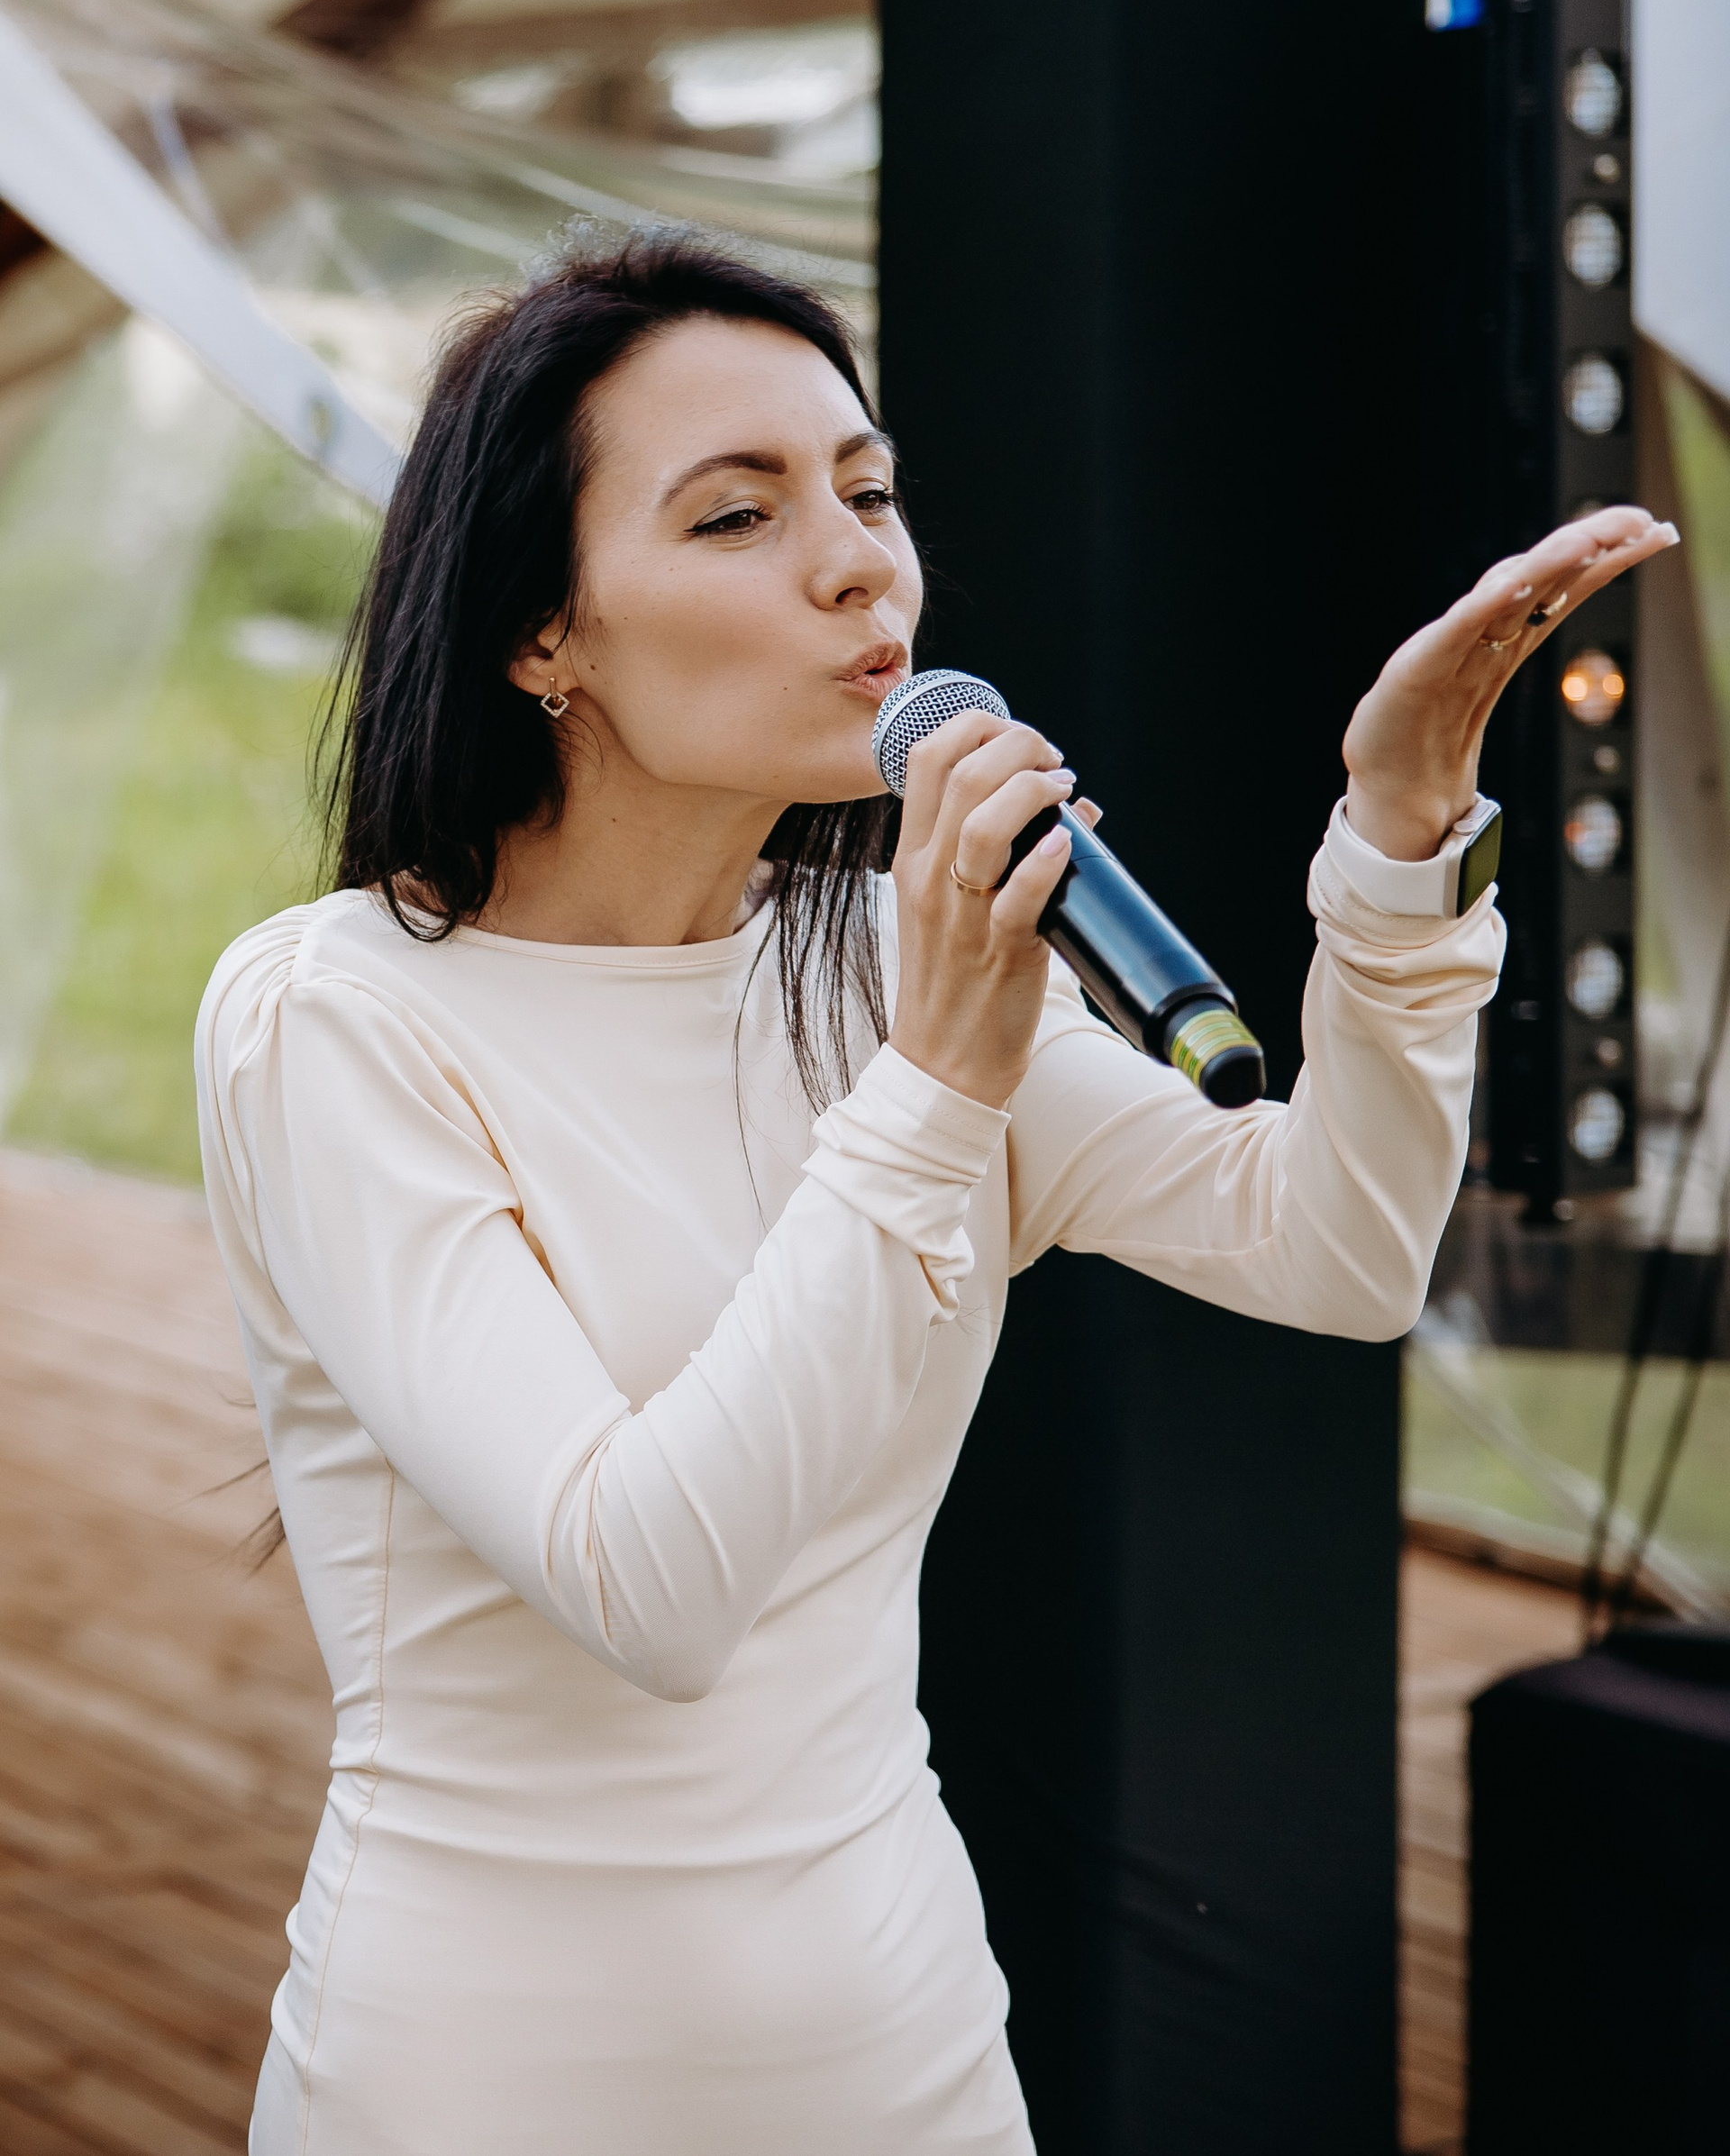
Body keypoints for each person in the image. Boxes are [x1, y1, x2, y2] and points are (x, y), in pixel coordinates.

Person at [196, 235, 1675, 2156]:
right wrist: (935, 1087)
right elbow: (649, 1585)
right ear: (540, 632)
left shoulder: (900, 963)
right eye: (738, 513)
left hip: (904, 2054)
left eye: (867, 490)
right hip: (489, 2079)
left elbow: (1341, 1246)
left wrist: (1397, 854)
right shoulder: (334, 1016)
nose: (857, 565)